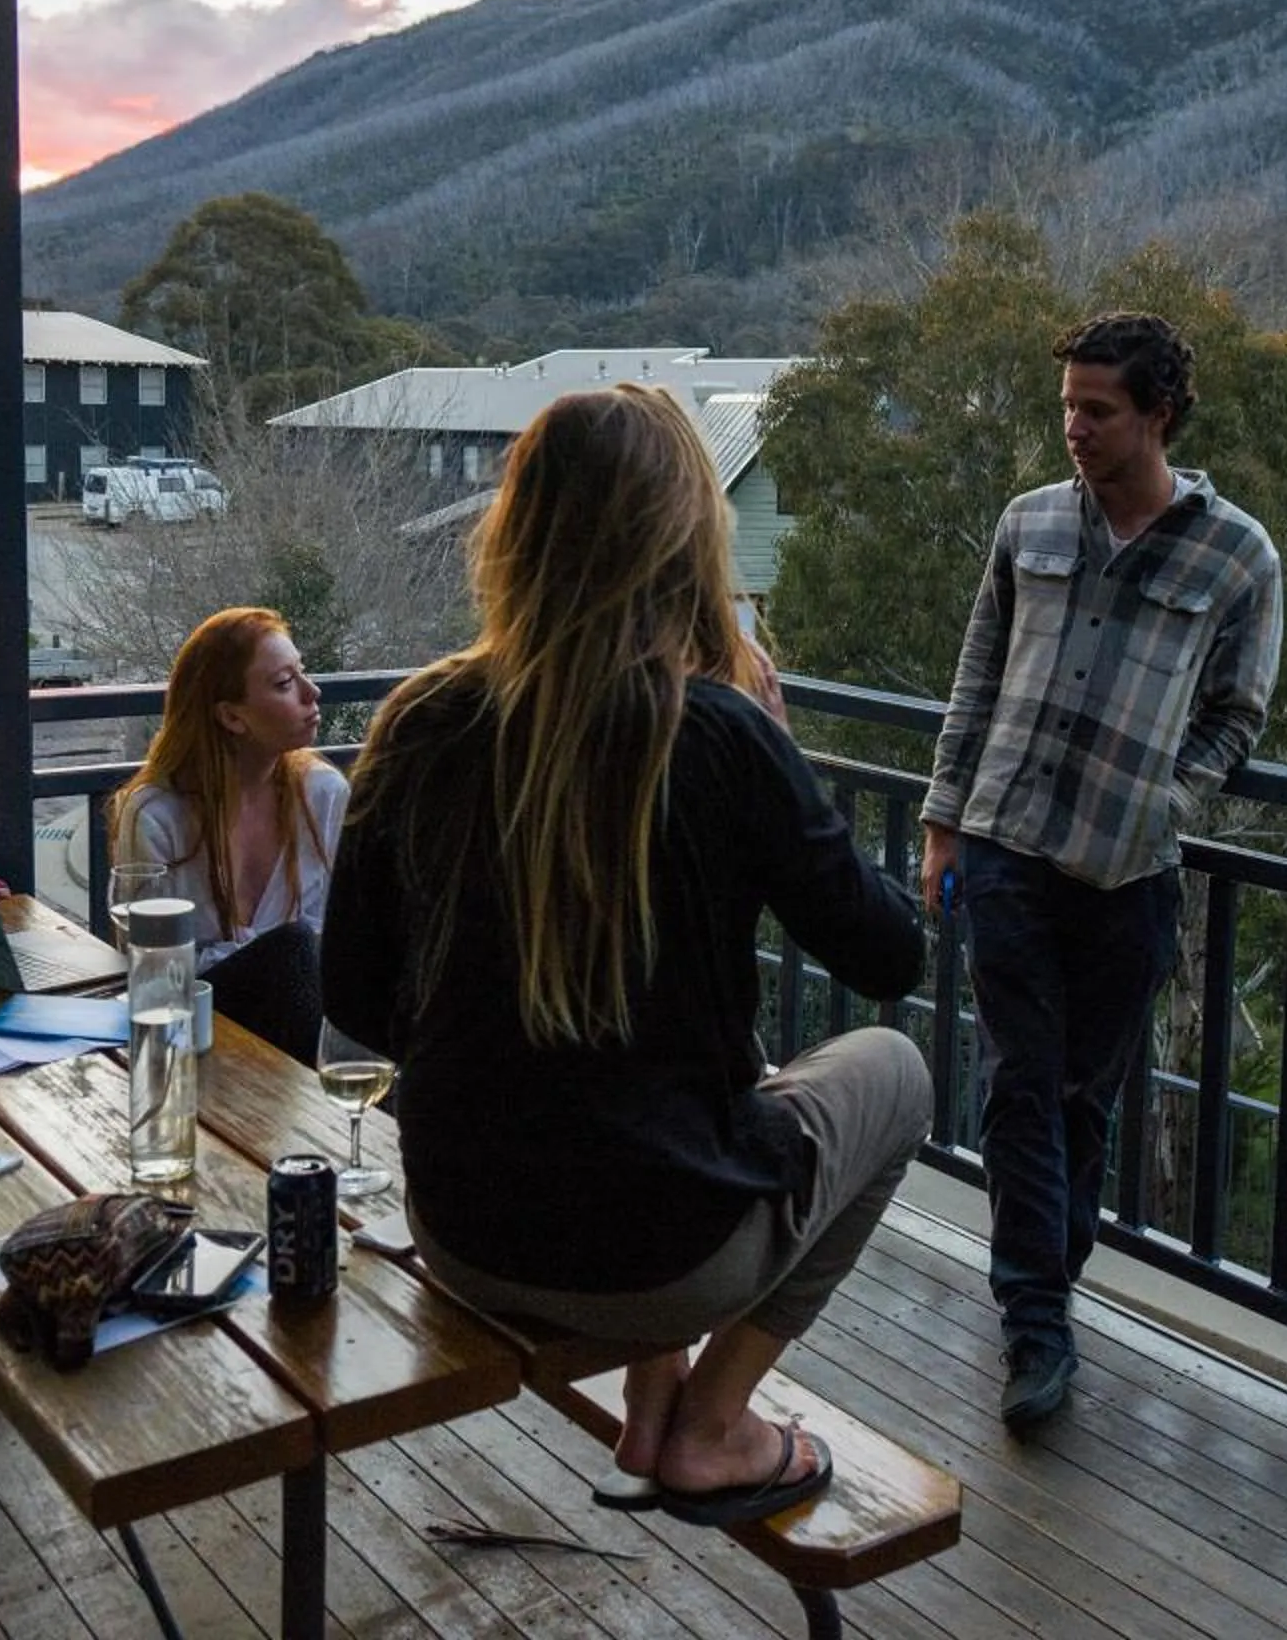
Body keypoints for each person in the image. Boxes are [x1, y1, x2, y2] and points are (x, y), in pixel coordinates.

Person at [325, 383, 931, 1526]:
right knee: (894, 1071)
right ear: (682, 537)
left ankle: (657, 1408)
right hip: (662, 1262)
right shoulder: (721, 734)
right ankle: (714, 1423)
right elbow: (890, 954)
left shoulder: (420, 719)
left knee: (659, 1071)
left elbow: (353, 994)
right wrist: (782, 762)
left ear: (515, 528)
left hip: (463, 1230)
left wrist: (504, 1039)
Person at [920, 311, 1282, 1433]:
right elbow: (977, 675)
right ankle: (1035, 1322)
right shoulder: (1027, 521)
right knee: (1019, 1084)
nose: (1074, 427)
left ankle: (1048, 1289)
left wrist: (1166, 800)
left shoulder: (1238, 556)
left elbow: (1237, 713)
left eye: (1098, 409)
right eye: (1067, 406)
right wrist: (943, 820)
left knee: (1084, 1097)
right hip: (1007, 843)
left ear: (1158, 414)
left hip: (1128, 872)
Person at [110, 606, 346, 1061]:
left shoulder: (323, 795)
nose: (312, 692)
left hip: (300, 1035)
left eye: (303, 672)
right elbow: (153, 966)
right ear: (232, 717)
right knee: (292, 949)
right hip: (197, 1027)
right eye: (285, 683)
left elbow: (343, 943)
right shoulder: (157, 815)